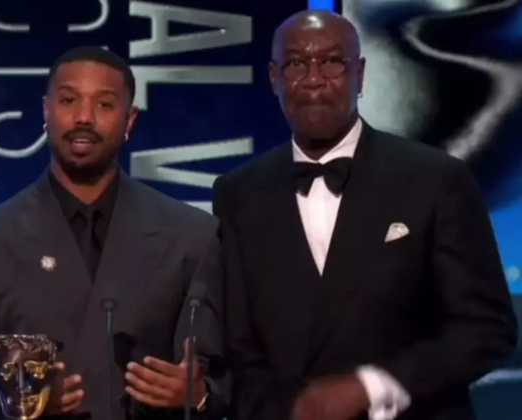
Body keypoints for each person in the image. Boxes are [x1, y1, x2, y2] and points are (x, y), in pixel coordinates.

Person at [212, 10, 517, 420]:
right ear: (274, 78)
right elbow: (239, 348)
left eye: (332, 62)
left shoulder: (436, 178)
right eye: (297, 63)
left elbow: (486, 329)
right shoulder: (238, 192)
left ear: (360, 74)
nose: (314, 78)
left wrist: (373, 385)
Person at [0, 46, 227, 420]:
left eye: (104, 104)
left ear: (129, 120)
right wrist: (21, 404)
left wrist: (197, 396)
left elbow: (221, 382)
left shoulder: (191, 236)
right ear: (46, 111)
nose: (84, 117)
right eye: (69, 100)